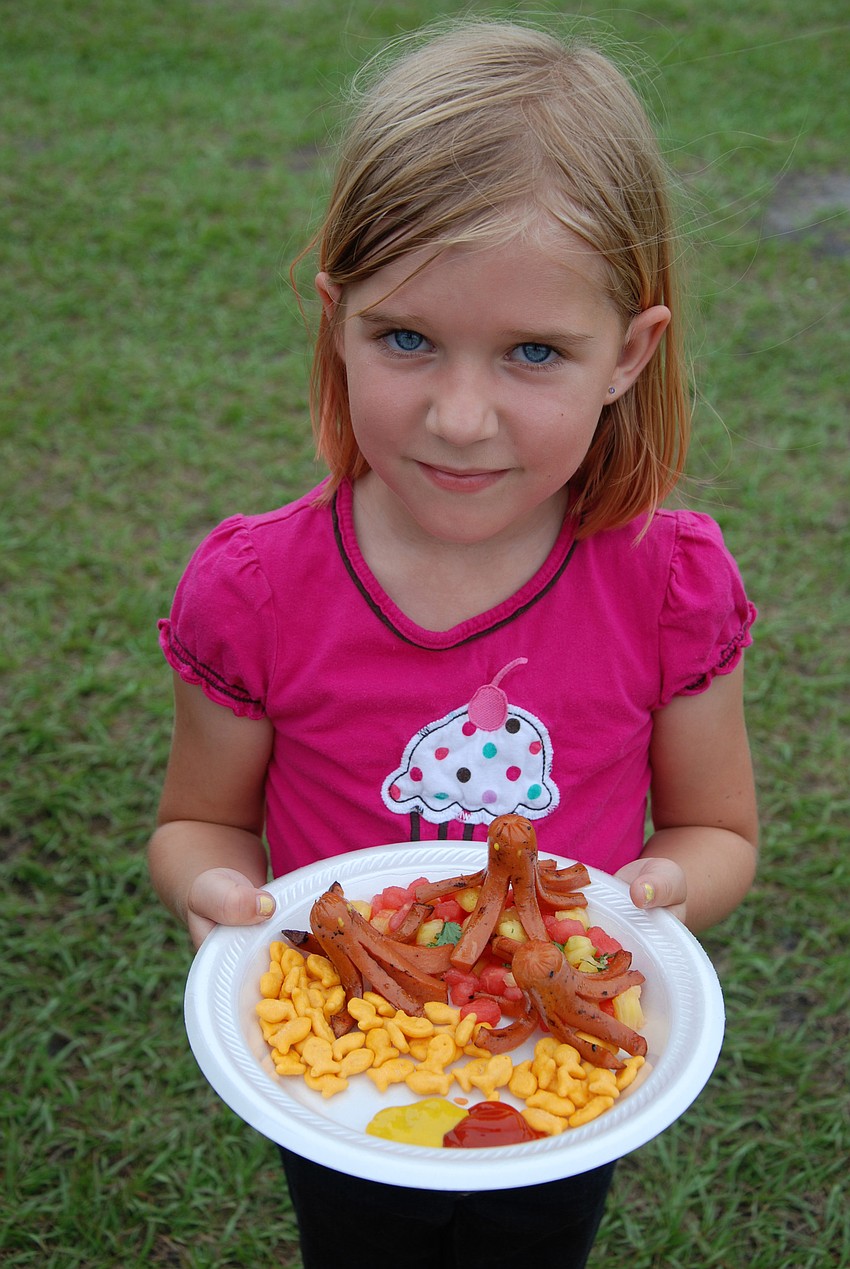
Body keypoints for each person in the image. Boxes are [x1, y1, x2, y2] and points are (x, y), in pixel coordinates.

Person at [149, 18, 759, 1268]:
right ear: (336, 319)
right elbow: (199, 824)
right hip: (342, 1061)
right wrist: (212, 893)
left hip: (556, 1060)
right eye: (405, 338)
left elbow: (719, 834)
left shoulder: (667, 583)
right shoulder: (255, 589)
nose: (460, 415)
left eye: (534, 352)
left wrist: (654, 895)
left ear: (624, 358)